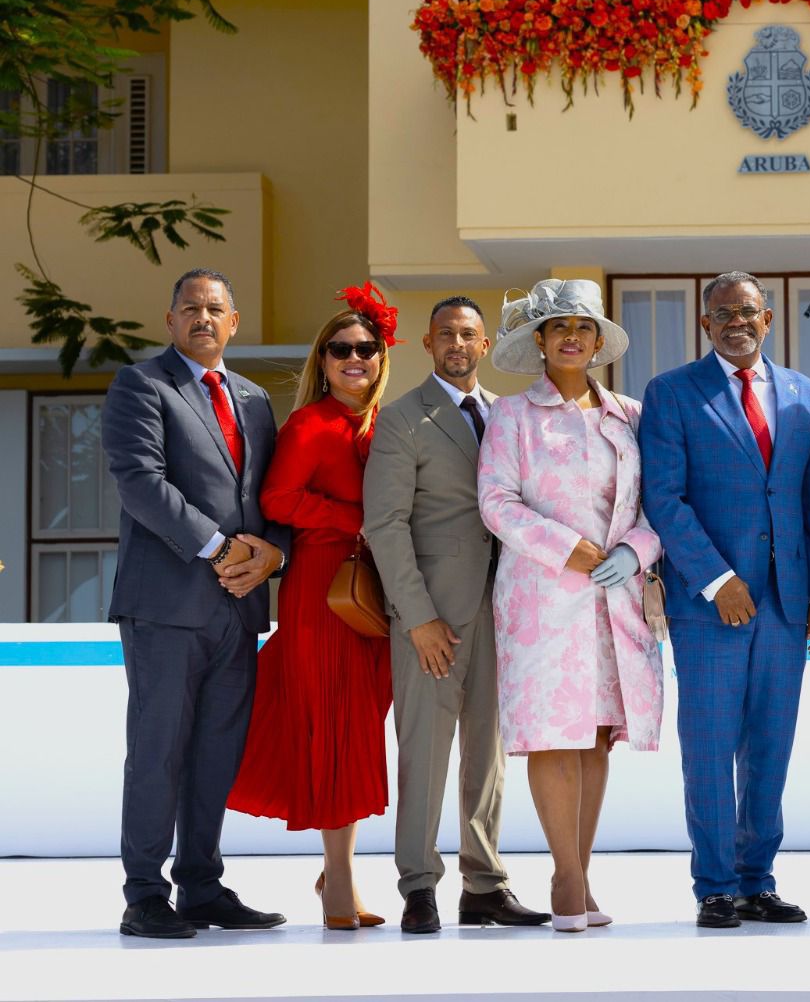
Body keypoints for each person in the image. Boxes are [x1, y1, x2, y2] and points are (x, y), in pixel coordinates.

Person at [639, 271, 810, 929]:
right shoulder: (672, 393)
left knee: (770, 748)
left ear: (767, 319)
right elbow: (664, 497)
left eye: (747, 311)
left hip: (785, 604)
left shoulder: (806, 394)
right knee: (709, 747)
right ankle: (716, 886)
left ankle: (757, 881)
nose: (736, 322)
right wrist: (716, 579)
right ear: (705, 324)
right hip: (710, 606)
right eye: (722, 313)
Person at [103, 268, 290, 938]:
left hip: (238, 608)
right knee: (158, 749)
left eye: (215, 309)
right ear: (171, 320)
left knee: (216, 752)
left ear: (233, 323)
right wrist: (220, 548)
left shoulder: (254, 399)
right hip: (166, 604)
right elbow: (139, 482)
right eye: (190, 308)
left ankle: (202, 887)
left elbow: (273, 495)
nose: (202, 318)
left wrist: (272, 553)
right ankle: (144, 895)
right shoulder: (141, 385)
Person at [478, 279, 665, 933]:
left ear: (597, 342)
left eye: (584, 328)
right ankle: (564, 877)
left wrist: (635, 552)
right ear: (539, 339)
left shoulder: (631, 415)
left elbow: (658, 502)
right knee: (555, 733)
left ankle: (580, 873)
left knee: (598, 735)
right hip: (542, 600)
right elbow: (496, 502)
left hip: (616, 600)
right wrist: (569, 549)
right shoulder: (512, 415)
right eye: (559, 326)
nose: (571, 337)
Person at [364, 296, 549, 934]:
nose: (458, 344)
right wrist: (417, 616)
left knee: (488, 755)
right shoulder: (402, 418)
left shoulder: (508, 414)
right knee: (424, 752)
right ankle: (418, 885)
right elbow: (386, 525)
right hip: (433, 615)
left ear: (484, 344)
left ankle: (484, 885)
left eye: (469, 334)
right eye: (446, 334)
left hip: (504, 609)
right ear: (428, 343)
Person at [226, 285, 397, 930]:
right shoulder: (310, 424)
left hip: (374, 591)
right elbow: (278, 499)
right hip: (324, 591)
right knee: (331, 724)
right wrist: (356, 520)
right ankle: (340, 877)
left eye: (366, 348)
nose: (354, 358)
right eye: (340, 349)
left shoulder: (386, 424)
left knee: (359, 726)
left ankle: (337, 871)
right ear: (322, 361)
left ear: (381, 357)